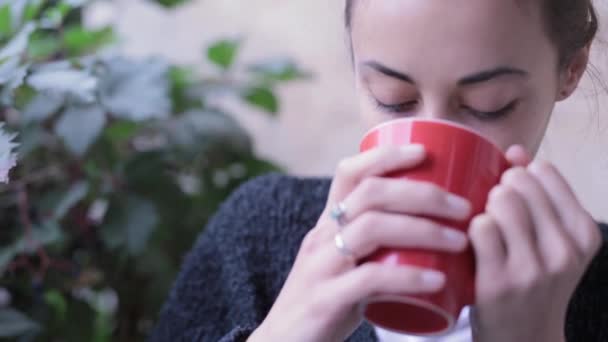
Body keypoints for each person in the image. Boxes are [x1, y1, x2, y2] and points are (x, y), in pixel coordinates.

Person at [150, 0, 608, 341]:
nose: (432, 137)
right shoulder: (258, 236)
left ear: (570, 70)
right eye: (393, 98)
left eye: (488, 106)